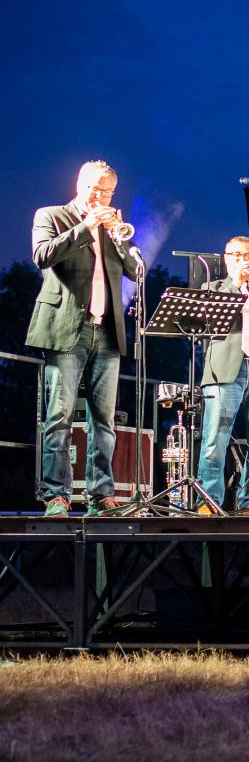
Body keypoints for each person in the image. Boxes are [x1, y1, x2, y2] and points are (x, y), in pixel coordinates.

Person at [29, 160, 141, 516]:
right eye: (95, 187)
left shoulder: (112, 227)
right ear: (79, 183)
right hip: (65, 329)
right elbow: (42, 255)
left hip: (106, 331)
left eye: (106, 190)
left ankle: (101, 493)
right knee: (59, 416)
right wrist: (86, 226)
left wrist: (117, 237)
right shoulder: (52, 215)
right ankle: (56, 495)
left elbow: (136, 271)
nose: (100, 195)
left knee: (105, 420)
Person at [196, 236, 249, 513]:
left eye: (247, 256)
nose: (242, 260)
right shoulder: (212, 288)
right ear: (226, 258)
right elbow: (205, 327)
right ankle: (208, 501)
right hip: (224, 371)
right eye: (235, 255)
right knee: (214, 440)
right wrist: (237, 285)